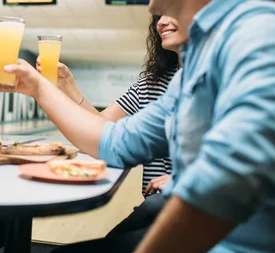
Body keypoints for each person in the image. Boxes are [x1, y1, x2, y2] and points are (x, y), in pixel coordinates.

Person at [0, 0, 275, 253]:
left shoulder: (261, 32)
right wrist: (39, 88)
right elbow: (117, 141)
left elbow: (230, 178)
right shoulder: (196, 60)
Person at [51, 14, 182, 195]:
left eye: (171, 11)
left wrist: (183, 179)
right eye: (158, 16)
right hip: (155, 202)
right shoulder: (151, 84)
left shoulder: (215, 80)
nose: (161, 22)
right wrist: (68, 85)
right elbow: (101, 128)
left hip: (194, 206)